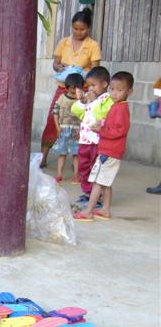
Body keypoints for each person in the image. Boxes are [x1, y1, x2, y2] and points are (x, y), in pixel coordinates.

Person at [41, 8, 101, 168]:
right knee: (53, 119)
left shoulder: (93, 45)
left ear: (88, 28)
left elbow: (95, 71)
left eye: (82, 29)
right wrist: (60, 67)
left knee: (82, 123)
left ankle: (81, 161)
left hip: (83, 90)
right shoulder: (64, 42)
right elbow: (55, 63)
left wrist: (81, 73)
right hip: (64, 88)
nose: (78, 32)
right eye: (75, 28)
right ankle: (43, 156)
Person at [74, 72, 134, 221]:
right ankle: (105, 210)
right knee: (105, 182)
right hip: (110, 150)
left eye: (119, 90)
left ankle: (88, 211)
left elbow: (120, 130)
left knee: (97, 182)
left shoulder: (121, 108)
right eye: (112, 89)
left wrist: (102, 130)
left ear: (129, 91)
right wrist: (102, 125)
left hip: (109, 151)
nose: (114, 93)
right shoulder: (117, 106)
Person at [71, 66, 113, 204]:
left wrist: (94, 101)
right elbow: (77, 111)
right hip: (85, 140)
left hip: (98, 142)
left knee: (95, 169)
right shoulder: (90, 99)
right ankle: (88, 192)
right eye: (88, 85)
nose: (90, 89)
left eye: (93, 85)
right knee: (83, 167)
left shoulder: (108, 99)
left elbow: (101, 114)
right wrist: (82, 102)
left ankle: (97, 196)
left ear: (104, 84)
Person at [51, 73, 84, 183]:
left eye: (77, 88)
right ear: (67, 87)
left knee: (76, 154)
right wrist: (57, 128)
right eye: (72, 88)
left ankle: (76, 175)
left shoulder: (83, 100)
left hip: (77, 131)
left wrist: (81, 130)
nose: (74, 91)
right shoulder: (61, 98)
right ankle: (59, 174)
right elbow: (55, 113)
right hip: (63, 129)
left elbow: (86, 115)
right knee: (62, 153)